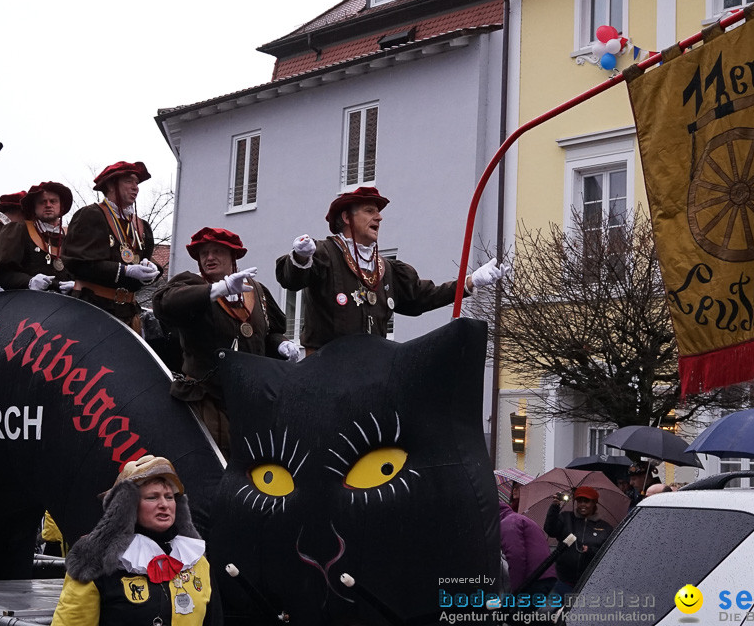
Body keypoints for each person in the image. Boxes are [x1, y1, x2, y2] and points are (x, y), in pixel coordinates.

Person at [275, 186, 505, 353]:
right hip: (326, 371)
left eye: (378, 212)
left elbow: (422, 297)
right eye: (369, 211)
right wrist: (300, 257)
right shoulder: (324, 253)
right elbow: (291, 279)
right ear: (346, 217)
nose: (379, 217)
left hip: (373, 368)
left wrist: (469, 281)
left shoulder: (387, 268)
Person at [153, 227, 299, 456]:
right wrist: (218, 289)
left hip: (250, 399)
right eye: (203, 253)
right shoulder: (190, 285)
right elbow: (164, 304)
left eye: (217, 251)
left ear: (233, 256)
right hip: (207, 399)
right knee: (213, 463)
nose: (209, 258)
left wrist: (281, 344)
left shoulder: (256, 291)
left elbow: (271, 332)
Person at [50, 454, 219, 626]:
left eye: (169, 497)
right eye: (152, 497)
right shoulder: (94, 560)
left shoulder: (195, 559)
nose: (164, 504)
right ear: (127, 505)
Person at [62, 161, 161, 333]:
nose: (135, 187)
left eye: (137, 183)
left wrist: (152, 271)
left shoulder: (141, 226)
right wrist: (125, 271)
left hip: (129, 312)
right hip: (93, 308)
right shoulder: (91, 215)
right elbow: (77, 263)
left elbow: (143, 262)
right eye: (129, 181)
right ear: (110, 184)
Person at [0, 181, 76, 294]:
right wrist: (29, 282)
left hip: (69, 306)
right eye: (42, 202)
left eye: (53, 201)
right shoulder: (19, 230)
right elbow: (2, 273)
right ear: (34, 207)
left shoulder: (72, 236)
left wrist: (78, 285)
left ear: (61, 206)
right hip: (29, 305)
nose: (48, 205)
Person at [543, 486, 613, 597]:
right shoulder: (565, 518)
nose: (582, 505)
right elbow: (550, 530)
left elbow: (608, 555)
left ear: (594, 503)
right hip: (563, 581)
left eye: (587, 501)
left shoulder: (605, 528)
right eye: (579, 501)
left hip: (589, 585)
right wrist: (555, 507)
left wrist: (590, 551)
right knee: (551, 612)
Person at [499, 490, 556, 597]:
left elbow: (515, 556)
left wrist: (516, 591)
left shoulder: (507, 523)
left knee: (520, 614)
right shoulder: (516, 519)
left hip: (535, 580)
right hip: (543, 576)